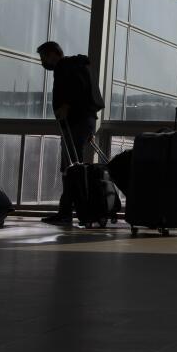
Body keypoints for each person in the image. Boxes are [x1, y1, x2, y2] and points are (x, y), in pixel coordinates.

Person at [37, 41, 104, 226]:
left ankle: (68, 212)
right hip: (84, 121)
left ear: (52, 54)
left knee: (70, 169)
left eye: (43, 57)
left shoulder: (64, 67)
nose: (42, 62)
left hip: (75, 123)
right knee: (73, 169)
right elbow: (86, 92)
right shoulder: (77, 66)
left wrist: (66, 106)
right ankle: (71, 210)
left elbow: (76, 90)